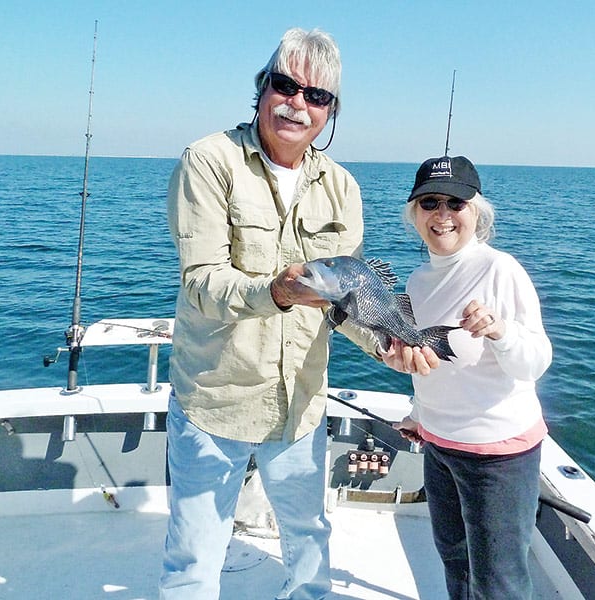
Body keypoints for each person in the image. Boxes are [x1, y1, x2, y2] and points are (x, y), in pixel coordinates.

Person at [160, 28, 411, 599]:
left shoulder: (342, 187)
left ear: (329, 112)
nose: (298, 103)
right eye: (286, 85)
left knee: (309, 543)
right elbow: (201, 281)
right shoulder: (209, 160)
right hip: (214, 400)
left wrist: (390, 347)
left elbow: (349, 300)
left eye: (317, 96)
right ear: (262, 89)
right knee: (195, 553)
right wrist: (273, 293)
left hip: (300, 405)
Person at [387, 155, 553, 600]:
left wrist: (500, 330)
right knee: (455, 562)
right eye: (429, 203)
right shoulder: (417, 281)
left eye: (455, 204)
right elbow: (429, 360)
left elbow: (535, 361)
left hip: (497, 457)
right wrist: (416, 410)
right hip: (438, 445)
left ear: (476, 212)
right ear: (414, 214)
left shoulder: (500, 269)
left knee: (499, 581)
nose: (442, 215)